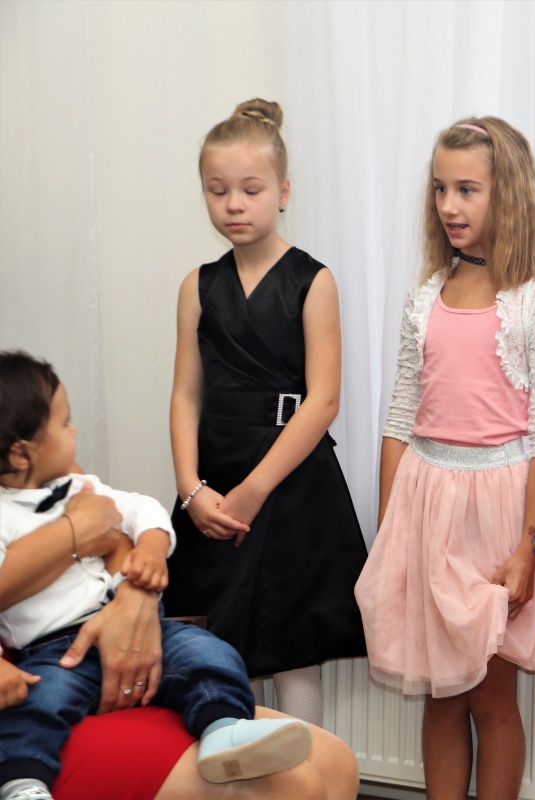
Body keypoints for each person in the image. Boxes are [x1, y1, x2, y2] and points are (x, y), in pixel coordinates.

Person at [354, 117, 535, 799]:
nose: (450, 205)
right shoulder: (423, 299)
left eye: (468, 190)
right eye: (440, 188)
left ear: (508, 194)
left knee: (491, 697)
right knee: (441, 696)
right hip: (427, 507)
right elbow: (400, 418)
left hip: (499, 513)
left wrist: (529, 548)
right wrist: (391, 531)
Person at [0, 351, 312, 800]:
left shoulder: (78, 486)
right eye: (64, 423)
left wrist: (149, 546)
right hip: (55, 651)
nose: (74, 431)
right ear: (20, 453)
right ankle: (24, 783)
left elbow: (138, 507)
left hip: (135, 627)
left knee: (209, 653)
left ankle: (221, 730)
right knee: (35, 705)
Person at [164, 99, 367, 728]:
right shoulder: (197, 286)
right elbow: (186, 395)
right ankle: (239, 769)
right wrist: (191, 489)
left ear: (283, 191)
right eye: (217, 190)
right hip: (214, 482)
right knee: (221, 648)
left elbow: (323, 400)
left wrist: (253, 491)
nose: (234, 204)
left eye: (250, 190)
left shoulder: (314, 281)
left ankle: (307, 774)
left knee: (293, 647)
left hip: (290, 482)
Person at [2, 660, 359, 799]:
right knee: (288, 784)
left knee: (334, 759)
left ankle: (220, 727)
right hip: (26, 707)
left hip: (88, 663)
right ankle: (21, 784)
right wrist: (78, 534)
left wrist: (131, 602)